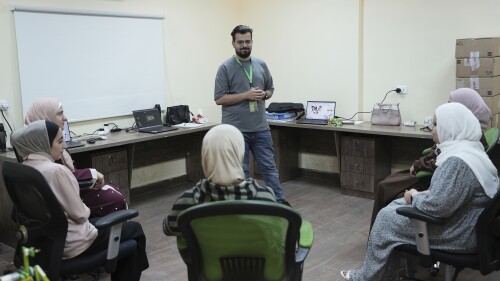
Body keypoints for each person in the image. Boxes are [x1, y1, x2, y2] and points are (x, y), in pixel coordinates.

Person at [340, 102, 499, 280]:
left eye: (437, 124)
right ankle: (386, 274)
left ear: (451, 127)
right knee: (395, 206)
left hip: (460, 233)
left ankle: (367, 277)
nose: (432, 128)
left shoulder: (457, 162)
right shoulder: (471, 151)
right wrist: (422, 194)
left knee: (386, 219)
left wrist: (414, 196)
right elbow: (453, 194)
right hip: (471, 227)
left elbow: (438, 207)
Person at [11, 120, 149, 281]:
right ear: (44, 144)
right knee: (135, 231)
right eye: (60, 141)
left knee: (130, 244)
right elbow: (80, 215)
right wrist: (85, 207)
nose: (64, 147)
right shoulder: (56, 171)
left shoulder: (25, 167)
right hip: (74, 244)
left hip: (43, 244)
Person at [369, 88, 491, 229]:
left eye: (451, 103)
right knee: (389, 182)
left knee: (385, 187)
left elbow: (441, 194)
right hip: (433, 175)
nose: (448, 106)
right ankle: (380, 229)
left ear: (464, 108)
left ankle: (380, 230)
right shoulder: (462, 130)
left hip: (432, 177)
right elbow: (437, 152)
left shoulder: (464, 146)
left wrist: (416, 192)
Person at [214, 25, 290, 206]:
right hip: (236, 131)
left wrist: (264, 95)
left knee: (269, 168)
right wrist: (245, 95)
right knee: (242, 172)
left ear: (252, 42)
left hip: (261, 128)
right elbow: (219, 98)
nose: (244, 45)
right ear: (233, 43)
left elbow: (270, 89)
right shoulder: (225, 67)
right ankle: (246, 206)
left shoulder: (261, 64)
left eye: (247, 41)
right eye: (240, 42)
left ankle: (280, 202)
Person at [163, 124, 277, 236]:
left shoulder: (188, 201)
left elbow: (168, 229)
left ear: (205, 155)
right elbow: (276, 233)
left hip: (206, 255)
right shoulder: (265, 197)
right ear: (240, 153)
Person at [24, 97, 127, 217]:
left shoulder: (36, 144)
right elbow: (62, 177)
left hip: (67, 192)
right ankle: (114, 232)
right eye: (60, 113)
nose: (65, 118)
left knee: (112, 190)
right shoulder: (47, 147)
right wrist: (92, 173)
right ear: (46, 116)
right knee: (115, 197)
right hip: (65, 200)